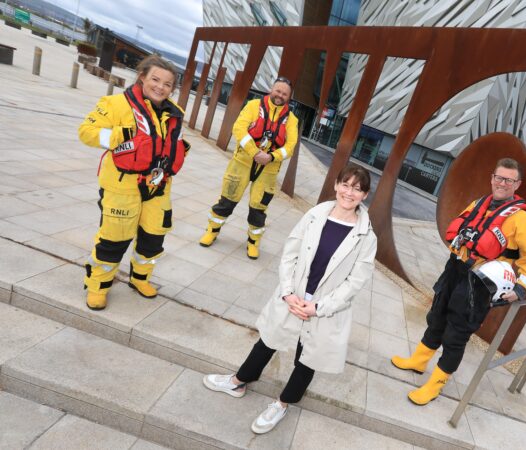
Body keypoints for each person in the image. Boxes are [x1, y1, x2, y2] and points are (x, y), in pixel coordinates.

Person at [203, 165, 377, 434]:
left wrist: (319, 307)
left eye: (357, 188)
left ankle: (282, 404)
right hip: (293, 295)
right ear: (336, 185)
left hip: (324, 308)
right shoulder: (314, 215)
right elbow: (290, 253)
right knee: (268, 340)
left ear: (364, 195)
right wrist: (287, 292)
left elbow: (355, 281)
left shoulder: (367, 237)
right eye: (345, 184)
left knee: (306, 359)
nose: (348, 192)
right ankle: (239, 381)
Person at [391, 158, 526, 405]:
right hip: (454, 268)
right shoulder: (479, 203)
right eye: (498, 177)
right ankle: (419, 360)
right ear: (492, 177)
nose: (502, 183)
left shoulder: (522, 219)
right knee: (437, 315)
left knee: (456, 334)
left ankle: (436, 385)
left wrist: (519, 289)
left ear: (518, 184)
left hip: (480, 282)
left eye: (509, 180)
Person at [78, 55, 190, 310]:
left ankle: (140, 279)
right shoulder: (116, 104)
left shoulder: (176, 114)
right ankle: (98, 286)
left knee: (153, 238)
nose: (160, 87)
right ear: (142, 77)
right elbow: (86, 132)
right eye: (155, 79)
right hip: (122, 186)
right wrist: (120, 135)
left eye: (168, 84)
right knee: (114, 239)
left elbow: (176, 144)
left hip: (159, 186)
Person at [199, 77, 299, 259]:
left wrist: (271, 156)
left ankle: (253, 243)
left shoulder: (292, 120)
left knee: (258, 209)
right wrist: (254, 152)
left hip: (268, 169)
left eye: (284, 94)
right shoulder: (253, 105)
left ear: (289, 97)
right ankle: (211, 231)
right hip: (243, 162)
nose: (280, 95)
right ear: (271, 88)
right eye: (278, 91)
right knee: (227, 200)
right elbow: (239, 128)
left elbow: (290, 146)